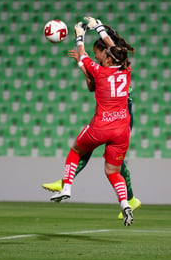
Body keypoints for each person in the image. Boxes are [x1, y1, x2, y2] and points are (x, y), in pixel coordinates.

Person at [42, 25, 141, 220]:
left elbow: (87, 60)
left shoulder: (100, 71)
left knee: (81, 150)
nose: (96, 58)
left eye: (99, 55)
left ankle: (67, 184)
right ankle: (126, 202)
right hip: (121, 124)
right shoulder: (125, 69)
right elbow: (92, 82)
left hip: (105, 123)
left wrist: (80, 37)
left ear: (107, 55)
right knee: (112, 169)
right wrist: (99, 27)